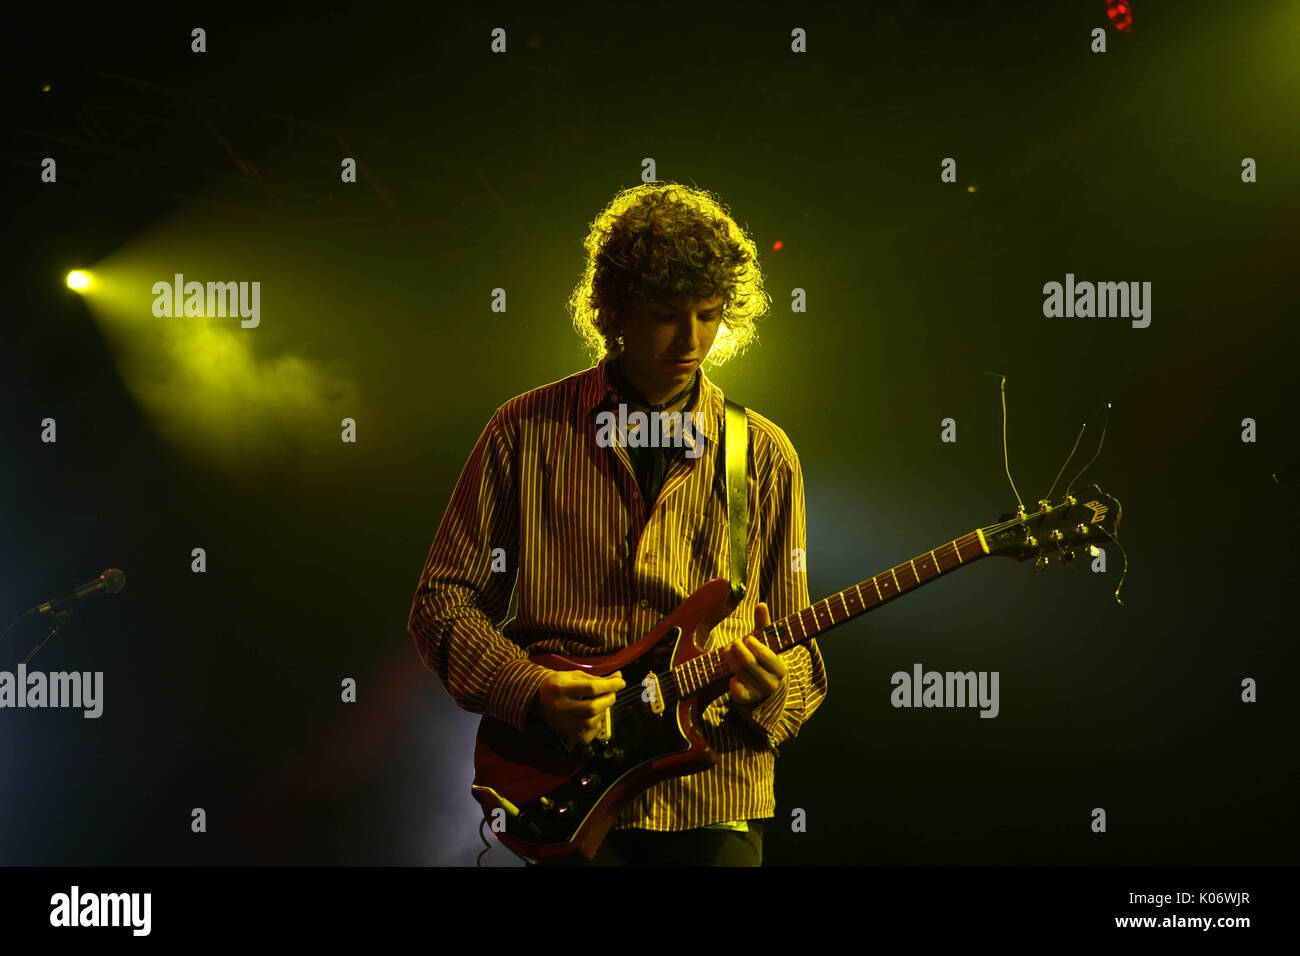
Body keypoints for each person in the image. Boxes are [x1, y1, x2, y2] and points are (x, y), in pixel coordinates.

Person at [406, 182, 828, 866]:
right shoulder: (525, 430)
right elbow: (441, 603)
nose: (692, 340)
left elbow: (798, 646)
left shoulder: (764, 454)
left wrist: (775, 692)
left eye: (710, 314)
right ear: (614, 310)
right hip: (565, 792)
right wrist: (532, 689)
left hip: (713, 796)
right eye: (666, 315)